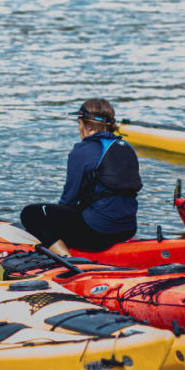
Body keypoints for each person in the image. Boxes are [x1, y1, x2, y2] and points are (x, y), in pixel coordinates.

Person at [20, 98, 141, 256]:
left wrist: (52, 225)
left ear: (89, 127)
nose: (78, 129)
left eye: (79, 124)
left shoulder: (82, 150)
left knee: (29, 214)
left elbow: (68, 200)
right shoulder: (126, 148)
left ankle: (67, 259)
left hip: (98, 234)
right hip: (128, 229)